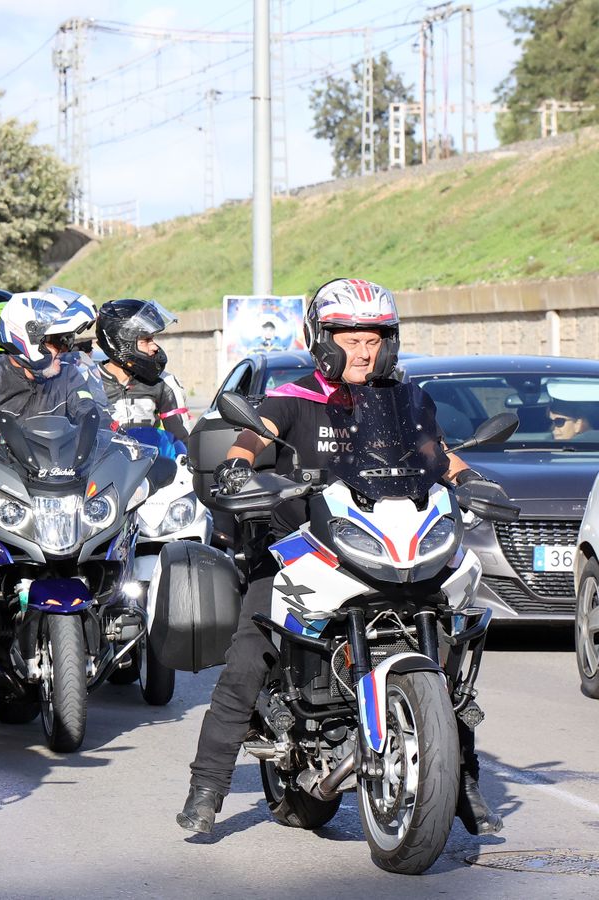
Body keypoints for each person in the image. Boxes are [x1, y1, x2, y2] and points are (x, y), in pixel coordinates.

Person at [178, 277, 504, 837]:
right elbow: (255, 437)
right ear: (321, 339)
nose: (363, 350)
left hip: (385, 541)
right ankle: (207, 787)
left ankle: (460, 776)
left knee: (447, 643)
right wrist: (237, 464)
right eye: (349, 338)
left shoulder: (405, 401)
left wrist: (470, 477)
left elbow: (434, 452)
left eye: (374, 339)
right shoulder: (293, 397)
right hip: (298, 545)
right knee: (249, 657)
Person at [0, 288, 105, 423]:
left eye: (67, 340)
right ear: (28, 338)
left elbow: (91, 412)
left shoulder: (67, 375)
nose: (65, 349)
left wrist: (110, 432)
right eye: (58, 341)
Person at [95, 298, 191, 444]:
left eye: (152, 339)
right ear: (120, 343)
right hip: (101, 465)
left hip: (151, 465)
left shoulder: (164, 383)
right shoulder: (88, 382)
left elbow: (182, 442)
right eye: (146, 340)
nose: (154, 347)